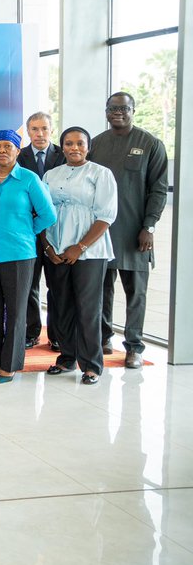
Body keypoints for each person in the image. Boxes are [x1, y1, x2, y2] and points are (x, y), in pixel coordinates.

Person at [0, 130, 57, 383]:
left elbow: (48, 215)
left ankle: (10, 364)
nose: (2, 151)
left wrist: (28, 232)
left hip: (19, 253)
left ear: (18, 151)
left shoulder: (28, 179)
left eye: (8, 146)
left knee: (17, 311)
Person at [89, 91, 169, 369]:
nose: (117, 112)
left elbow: (158, 189)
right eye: (112, 108)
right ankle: (103, 338)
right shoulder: (96, 144)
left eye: (123, 108)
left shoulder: (150, 144)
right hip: (102, 232)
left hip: (136, 233)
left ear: (134, 110)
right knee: (102, 290)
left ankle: (134, 346)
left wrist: (149, 226)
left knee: (136, 293)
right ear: (106, 111)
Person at [43, 126, 118, 385]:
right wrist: (48, 247)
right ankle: (67, 358)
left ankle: (92, 365)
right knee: (61, 304)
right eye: (69, 143)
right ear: (61, 146)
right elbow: (41, 211)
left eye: (80, 143)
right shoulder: (51, 174)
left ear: (88, 147)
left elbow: (106, 215)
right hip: (56, 247)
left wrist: (81, 246)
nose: (74, 147)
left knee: (88, 308)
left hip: (90, 251)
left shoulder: (101, 174)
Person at [17, 111, 65, 351]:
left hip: (56, 231)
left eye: (44, 128)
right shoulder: (19, 156)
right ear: (28, 132)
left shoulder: (64, 154)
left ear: (51, 130)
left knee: (56, 285)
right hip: (28, 232)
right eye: (34, 129)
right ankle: (32, 331)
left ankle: (56, 334)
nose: (39, 134)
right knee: (30, 285)